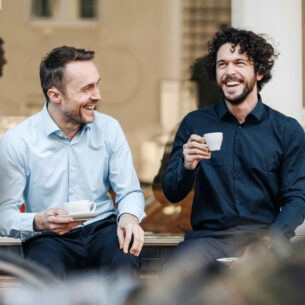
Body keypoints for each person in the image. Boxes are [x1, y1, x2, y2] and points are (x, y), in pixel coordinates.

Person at [161, 27, 305, 269]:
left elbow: (298, 198)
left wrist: (268, 242)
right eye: (222, 64)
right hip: (207, 242)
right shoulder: (195, 124)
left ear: (259, 71)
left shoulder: (287, 130)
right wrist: (186, 167)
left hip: (264, 239)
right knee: (172, 279)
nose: (229, 72)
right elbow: (172, 193)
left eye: (239, 63)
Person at [0, 46, 146, 278]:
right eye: (87, 88)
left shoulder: (109, 129)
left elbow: (129, 191)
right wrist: (39, 221)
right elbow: (3, 214)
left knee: (124, 260)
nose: (97, 95)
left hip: (102, 230)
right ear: (55, 95)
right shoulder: (17, 141)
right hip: (48, 238)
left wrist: (129, 217)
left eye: (97, 84)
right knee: (43, 272)